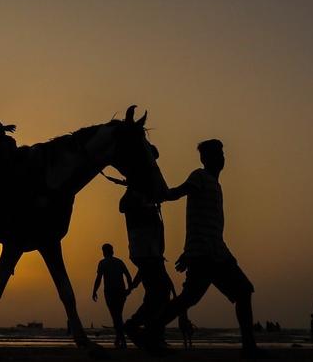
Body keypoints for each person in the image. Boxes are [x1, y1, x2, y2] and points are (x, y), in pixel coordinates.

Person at [140, 139, 264, 357]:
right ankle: (151, 332)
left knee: (236, 292)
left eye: (222, 153)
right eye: (217, 154)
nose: (222, 157)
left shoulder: (216, 184)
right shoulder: (200, 177)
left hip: (216, 251)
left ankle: (249, 346)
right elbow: (174, 194)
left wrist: (187, 252)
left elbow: (202, 222)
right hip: (205, 253)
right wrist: (156, 190)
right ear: (205, 159)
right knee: (198, 297)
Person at [104, 145, 175, 345]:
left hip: (150, 248)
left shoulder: (144, 187)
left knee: (158, 291)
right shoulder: (136, 189)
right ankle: (138, 327)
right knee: (160, 291)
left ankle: (151, 333)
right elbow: (123, 206)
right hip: (144, 249)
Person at [92, 243, 133, 349]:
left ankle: (122, 340)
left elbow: (98, 279)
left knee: (116, 316)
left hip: (110, 292)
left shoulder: (102, 263)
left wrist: (94, 291)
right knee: (118, 315)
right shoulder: (119, 262)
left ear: (104, 252)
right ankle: (118, 339)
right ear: (112, 251)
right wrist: (129, 289)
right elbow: (128, 276)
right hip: (121, 291)